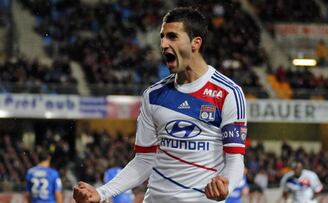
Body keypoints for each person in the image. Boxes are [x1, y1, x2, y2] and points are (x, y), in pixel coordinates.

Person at [73, 7, 247, 203]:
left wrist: (226, 185)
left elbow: (234, 160)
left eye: (172, 37)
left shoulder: (228, 93)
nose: (163, 44)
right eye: (162, 37)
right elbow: (143, 161)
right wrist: (101, 193)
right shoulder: (153, 96)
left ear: (195, 43)